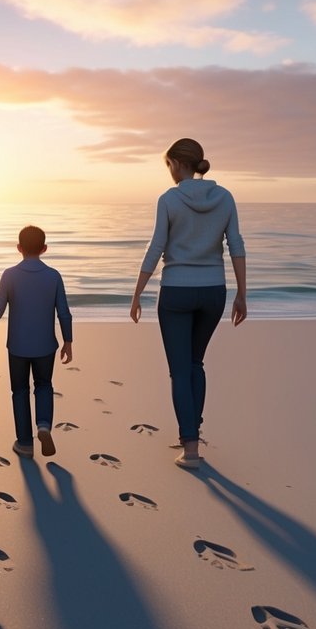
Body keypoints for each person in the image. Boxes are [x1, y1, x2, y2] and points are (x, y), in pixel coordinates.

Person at [129, 138, 246, 470]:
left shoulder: (169, 200)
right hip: (214, 292)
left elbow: (156, 247)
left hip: (177, 293)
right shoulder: (224, 198)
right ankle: (194, 433)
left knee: (180, 371)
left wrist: (137, 292)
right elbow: (236, 244)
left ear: (177, 164)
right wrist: (242, 293)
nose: (169, 172)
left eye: (168, 165)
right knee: (196, 364)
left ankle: (190, 447)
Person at [0, 225, 73, 459]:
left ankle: (25, 443)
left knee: (20, 390)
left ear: (18, 248)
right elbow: (64, 312)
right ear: (44, 248)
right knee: (44, 385)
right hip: (46, 346)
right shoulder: (54, 276)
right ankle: (43, 425)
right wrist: (68, 341)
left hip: (18, 347)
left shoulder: (10, 275)